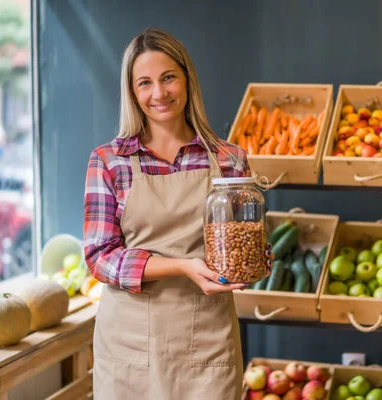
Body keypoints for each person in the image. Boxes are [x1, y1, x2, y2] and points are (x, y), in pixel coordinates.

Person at [83, 27, 272, 400]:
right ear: (132, 92)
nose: (159, 93)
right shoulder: (109, 161)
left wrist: (253, 262)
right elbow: (99, 258)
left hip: (207, 342)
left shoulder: (229, 159)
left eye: (168, 77)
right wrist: (183, 266)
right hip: (130, 345)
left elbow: (241, 245)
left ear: (187, 79)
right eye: (145, 83)